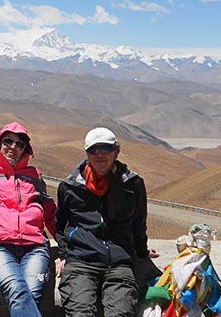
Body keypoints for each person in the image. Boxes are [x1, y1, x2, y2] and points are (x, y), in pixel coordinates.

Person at [56, 127, 159, 317]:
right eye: (94, 150)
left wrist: (142, 251)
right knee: (79, 313)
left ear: (116, 152)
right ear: (87, 154)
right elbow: (61, 224)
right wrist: (64, 254)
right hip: (81, 262)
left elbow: (138, 222)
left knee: (121, 313)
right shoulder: (70, 187)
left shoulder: (132, 184)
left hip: (119, 263)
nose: (100, 155)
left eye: (106, 149)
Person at [0, 122, 57, 317]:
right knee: (17, 290)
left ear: (26, 149)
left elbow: (49, 212)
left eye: (19, 144)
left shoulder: (34, 176)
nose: (13, 147)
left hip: (35, 247)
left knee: (32, 293)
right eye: (8, 141)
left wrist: (68, 248)